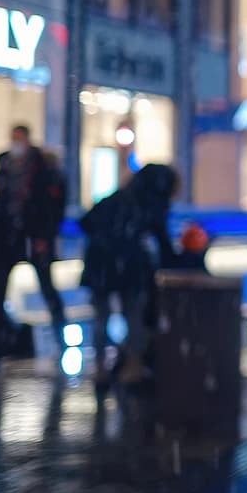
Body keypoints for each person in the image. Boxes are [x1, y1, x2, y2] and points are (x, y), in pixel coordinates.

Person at [0, 125, 67, 373]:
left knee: (47, 290)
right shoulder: (5, 167)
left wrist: (44, 236)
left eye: (19, 139)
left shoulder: (41, 168)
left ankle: (62, 343)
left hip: (32, 238)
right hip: (6, 241)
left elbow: (50, 207)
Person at [80, 164, 179, 388]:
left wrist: (105, 242)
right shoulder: (151, 204)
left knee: (101, 317)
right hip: (128, 265)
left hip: (100, 263)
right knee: (134, 314)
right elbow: (163, 241)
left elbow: (86, 222)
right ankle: (133, 367)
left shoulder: (117, 198)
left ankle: (100, 368)